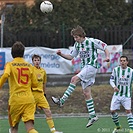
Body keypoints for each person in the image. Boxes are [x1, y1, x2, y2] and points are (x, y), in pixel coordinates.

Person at [52, 25, 110, 128]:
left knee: (74, 79)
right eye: (74, 37)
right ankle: (93, 116)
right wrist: (61, 54)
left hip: (91, 66)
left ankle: (61, 101)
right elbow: (71, 57)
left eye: (76, 37)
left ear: (81, 35)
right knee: (86, 93)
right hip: (85, 68)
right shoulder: (77, 45)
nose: (75, 39)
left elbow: (105, 47)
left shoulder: (91, 41)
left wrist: (108, 57)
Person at [0, 41, 39, 133]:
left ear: (12, 53)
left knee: (14, 128)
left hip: (15, 100)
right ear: (23, 53)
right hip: (29, 99)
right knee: (30, 128)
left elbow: (5, 75)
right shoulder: (29, 66)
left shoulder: (10, 64)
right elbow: (35, 84)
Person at [31, 54, 63, 133]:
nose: (37, 62)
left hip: (40, 95)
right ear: (32, 61)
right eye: (35, 60)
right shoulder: (30, 70)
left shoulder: (43, 71)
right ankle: (18, 127)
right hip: (32, 94)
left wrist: (44, 94)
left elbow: (44, 83)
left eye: (38, 60)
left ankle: (53, 130)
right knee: (29, 114)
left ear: (40, 61)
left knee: (48, 111)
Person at [110, 55, 133, 133]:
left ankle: (131, 130)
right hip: (117, 95)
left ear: (127, 62)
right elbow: (111, 80)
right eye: (121, 61)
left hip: (127, 95)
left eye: (124, 61)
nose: (122, 62)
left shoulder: (131, 71)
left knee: (128, 111)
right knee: (112, 111)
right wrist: (114, 86)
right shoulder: (116, 70)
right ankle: (118, 126)